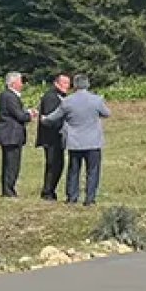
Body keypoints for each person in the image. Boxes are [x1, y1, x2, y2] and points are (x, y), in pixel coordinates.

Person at [41, 74, 111, 206]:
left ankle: (72, 197)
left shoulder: (67, 101)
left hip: (75, 142)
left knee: (73, 170)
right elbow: (107, 113)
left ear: (75, 85)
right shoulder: (96, 100)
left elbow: (54, 116)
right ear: (88, 84)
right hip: (93, 141)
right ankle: (90, 199)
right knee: (92, 171)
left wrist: (44, 119)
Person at [0, 72, 37, 198]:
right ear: (13, 83)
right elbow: (19, 116)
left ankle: (8, 189)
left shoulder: (7, 96)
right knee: (12, 164)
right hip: (11, 135)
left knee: (9, 164)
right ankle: (9, 190)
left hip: (9, 135)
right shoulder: (10, 97)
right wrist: (30, 115)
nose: (22, 84)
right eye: (20, 81)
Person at [36, 74, 71, 201]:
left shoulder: (62, 96)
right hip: (50, 138)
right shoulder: (51, 97)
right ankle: (47, 192)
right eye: (65, 83)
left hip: (58, 137)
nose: (68, 86)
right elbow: (51, 118)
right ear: (57, 83)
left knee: (59, 164)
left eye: (69, 83)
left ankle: (51, 190)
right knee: (53, 164)